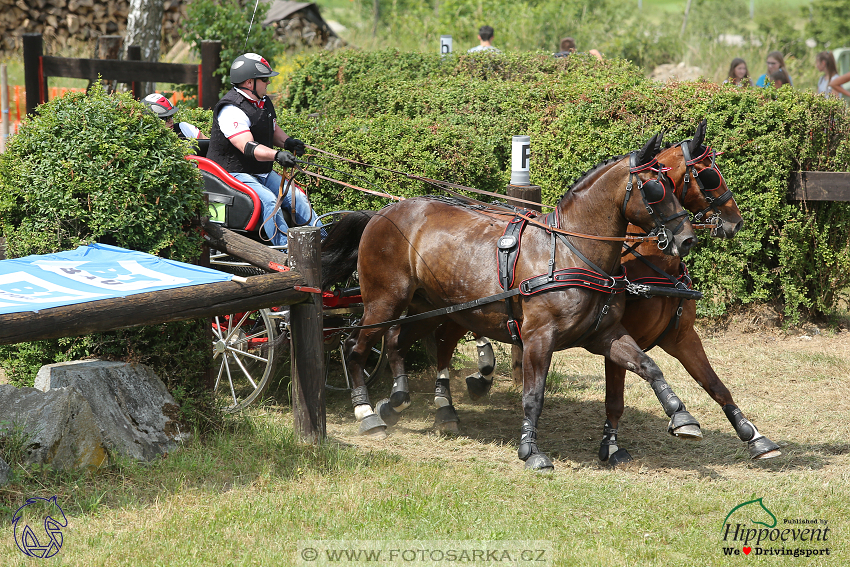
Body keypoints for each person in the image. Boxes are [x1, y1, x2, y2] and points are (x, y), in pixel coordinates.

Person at [206, 53, 320, 249]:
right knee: (270, 202)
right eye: (265, 79)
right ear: (250, 83)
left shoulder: (263, 101)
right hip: (232, 174)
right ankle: (287, 252)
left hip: (261, 172)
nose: (268, 83)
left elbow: (271, 129)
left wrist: (288, 143)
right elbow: (248, 147)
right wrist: (277, 155)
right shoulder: (231, 109)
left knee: (297, 197)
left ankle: (324, 244)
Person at [142, 93, 207, 139]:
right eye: (166, 118)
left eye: (171, 116)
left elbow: (209, 147)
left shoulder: (184, 128)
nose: (171, 121)